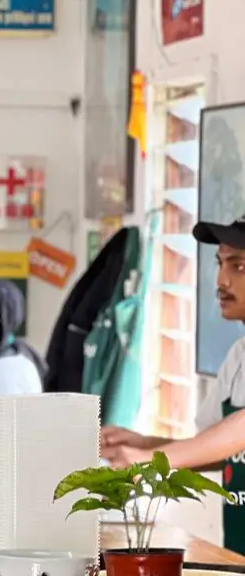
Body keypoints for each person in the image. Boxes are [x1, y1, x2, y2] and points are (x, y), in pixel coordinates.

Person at [103, 217, 245, 552]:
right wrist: (145, 441)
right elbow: (218, 450)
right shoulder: (237, 356)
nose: (222, 280)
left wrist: (149, 458)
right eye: (219, 263)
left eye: (238, 266)